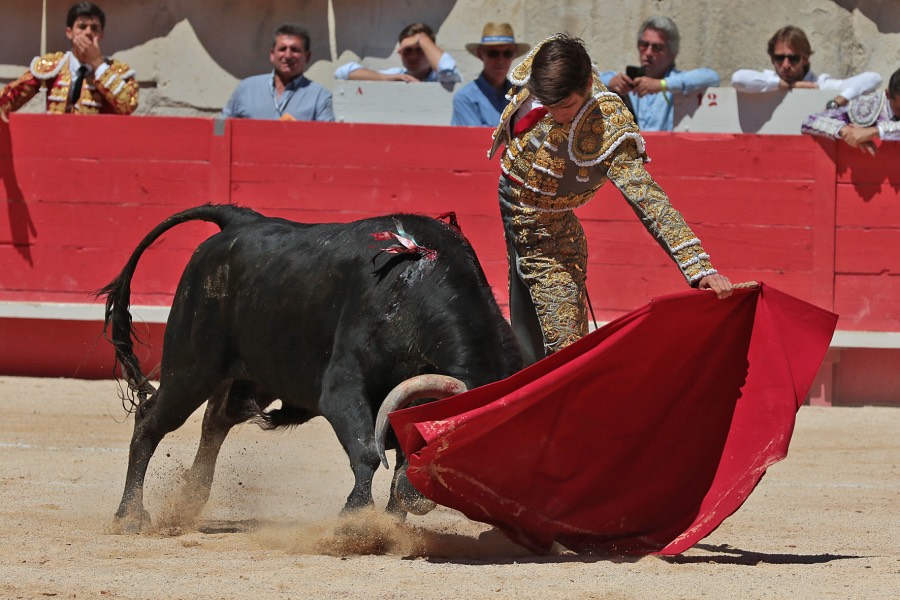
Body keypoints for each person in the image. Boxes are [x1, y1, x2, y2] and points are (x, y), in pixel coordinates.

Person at [489, 33, 733, 364]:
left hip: (552, 236)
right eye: (549, 105)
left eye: (566, 107)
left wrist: (699, 268)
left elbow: (649, 199)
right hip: (512, 207)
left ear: (587, 86)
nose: (557, 115)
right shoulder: (550, 62)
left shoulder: (607, 124)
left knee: (564, 350)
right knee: (524, 336)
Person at [0, 2, 138, 121]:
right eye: (82, 27)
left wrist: (97, 62)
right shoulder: (54, 64)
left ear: (101, 34)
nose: (88, 32)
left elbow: (127, 106)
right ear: (69, 32)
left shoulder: (117, 70)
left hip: (96, 147)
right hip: (56, 143)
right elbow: (13, 95)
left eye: (94, 28)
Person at [599, 16, 719, 131]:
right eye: (644, 45)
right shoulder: (629, 78)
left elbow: (712, 77)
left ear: (672, 54)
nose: (648, 52)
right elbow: (591, 78)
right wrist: (612, 81)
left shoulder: (673, 80)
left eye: (657, 47)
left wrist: (661, 85)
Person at [731, 26, 881, 109]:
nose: (785, 65)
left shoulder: (820, 84)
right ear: (771, 58)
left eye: (793, 58)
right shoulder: (765, 80)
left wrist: (838, 101)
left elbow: (873, 78)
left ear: (805, 58)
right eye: (779, 58)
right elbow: (738, 79)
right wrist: (789, 85)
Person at [222, 23, 334, 121]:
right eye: (282, 49)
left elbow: (328, 139)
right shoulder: (246, 88)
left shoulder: (320, 97)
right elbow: (219, 128)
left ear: (307, 56)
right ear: (272, 54)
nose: (288, 55)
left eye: (295, 50)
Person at [801, 67, 900, 156]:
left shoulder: (873, 128)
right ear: (888, 94)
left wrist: (873, 131)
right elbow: (810, 121)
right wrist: (845, 131)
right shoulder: (868, 106)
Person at [451, 22, 529, 127]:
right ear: (480, 54)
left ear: (514, 54)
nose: (500, 60)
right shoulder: (465, 98)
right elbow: (474, 140)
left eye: (507, 53)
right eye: (493, 53)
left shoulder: (522, 95)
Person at [334, 23, 461, 85]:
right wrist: (384, 78)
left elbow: (447, 70)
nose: (413, 56)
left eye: (420, 49)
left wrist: (422, 39)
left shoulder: (441, 78)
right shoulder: (397, 75)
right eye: (408, 50)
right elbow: (342, 72)